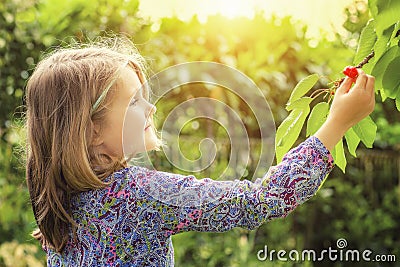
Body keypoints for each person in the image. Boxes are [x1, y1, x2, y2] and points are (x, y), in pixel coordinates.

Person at [25, 37, 375, 266]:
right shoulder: (139, 194)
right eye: (134, 102)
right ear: (90, 130)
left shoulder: (59, 199)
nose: (150, 108)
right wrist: (337, 124)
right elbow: (263, 200)